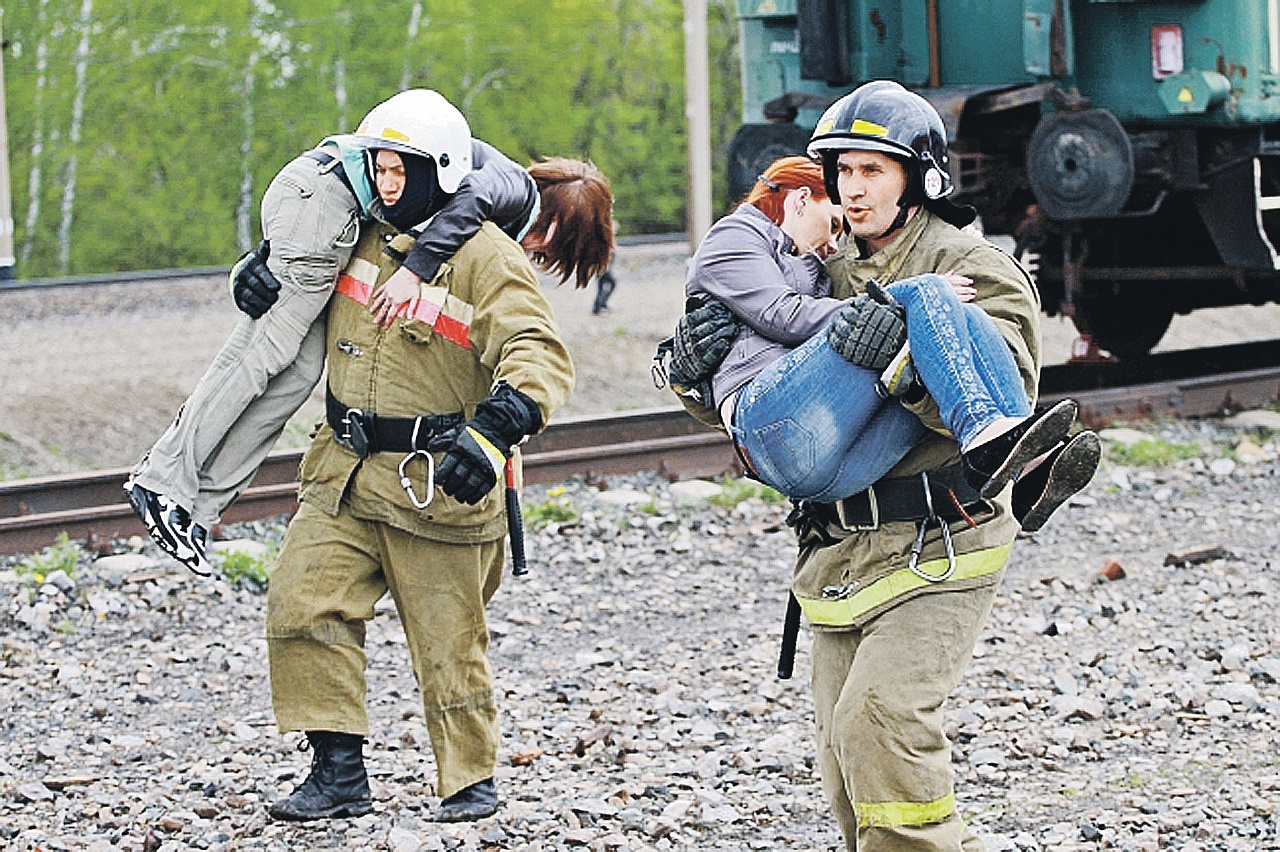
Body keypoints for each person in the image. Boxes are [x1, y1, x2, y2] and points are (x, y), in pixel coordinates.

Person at [672, 81, 1099, 850]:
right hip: (837, 550)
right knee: (845, 766)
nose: (852, 188)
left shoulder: (967, 264)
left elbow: (1008, 379)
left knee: (883, 726)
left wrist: (898, 359)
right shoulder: (816, 265)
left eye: (874, 169)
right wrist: (692, 372)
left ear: (919, 176)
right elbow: (778, 400)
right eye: (842, 171)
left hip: (942, 539)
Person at [125, 90, 612, 572]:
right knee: (258, 358)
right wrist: (414, 271)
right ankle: (163, 480)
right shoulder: (512, 191)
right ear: (551, 231)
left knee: (294, 375)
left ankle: (197, 509)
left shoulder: (481, 177)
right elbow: (467, 203)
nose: (531, 257)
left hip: (325, 208)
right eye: (544, 255)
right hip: (322, 197)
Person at [259, 91, 574, 823]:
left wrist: (494, 431)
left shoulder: (485, 257)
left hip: (435, 484)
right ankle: (337, 773)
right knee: (302, 604)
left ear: (442, 172)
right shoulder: (354, 234)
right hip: (342, 473)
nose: (389, 183)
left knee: (447, 643)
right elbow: (298, 273)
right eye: (380, 167)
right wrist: (260, 271)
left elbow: (539, 355)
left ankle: (469, 781)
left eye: (404, 169)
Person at [677, 153, 1093, 522]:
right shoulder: (736, 236)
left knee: (957, 319)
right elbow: (784, 317)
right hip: (771, 421)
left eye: (871, 171)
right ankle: (989, 441)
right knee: (926, 292)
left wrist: (949, 266)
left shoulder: (815, 261)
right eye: (842, 177)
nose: (835, 241)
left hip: (832, 473)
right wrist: (902, 299)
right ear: (801, 200)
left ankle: (1020, 473)